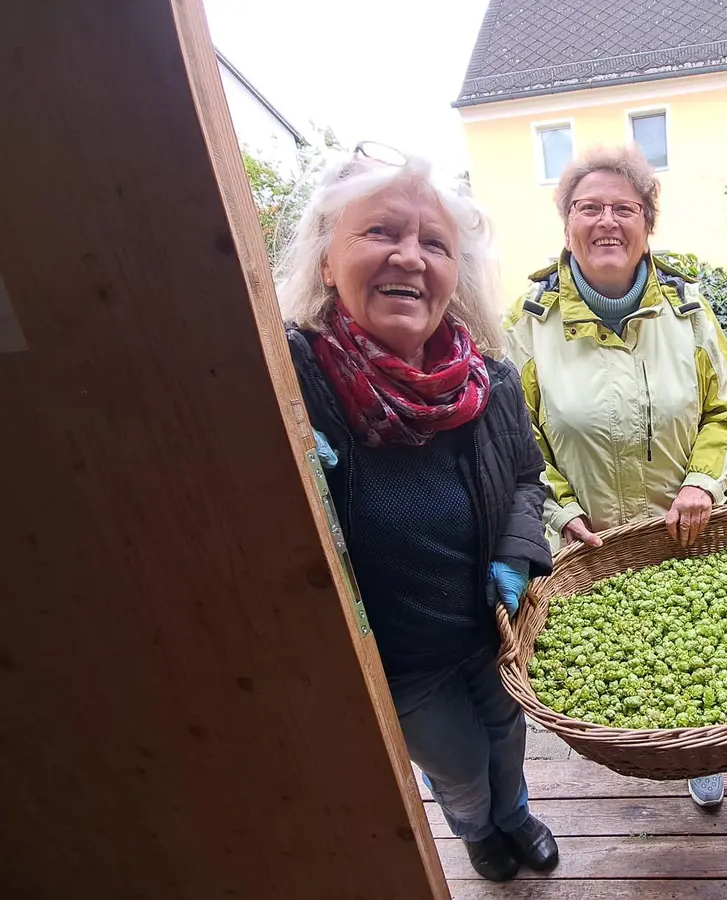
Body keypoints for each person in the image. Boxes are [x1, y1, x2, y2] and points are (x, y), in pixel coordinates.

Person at [278, 142, 558, 883]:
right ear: (326, 259)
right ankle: (478, 830)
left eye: (434, 243)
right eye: (380, 233)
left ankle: (519, 815)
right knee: (458, 759)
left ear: (454, 274)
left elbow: (527, 480)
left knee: (505, 730)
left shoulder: (487, 379)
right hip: (398, 659)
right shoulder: (289, 380)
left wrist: (516, 550)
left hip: (488, 629)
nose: (410, 257)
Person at [503, 145, 727, 809]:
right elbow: (512, 439)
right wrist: (558, 513)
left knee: (697, 654)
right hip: (586, 544)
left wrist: (702, 483)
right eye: (590, 207)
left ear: (648, 224)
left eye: (626, 208)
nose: (608, 221)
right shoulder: (529, 324)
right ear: (567, 225)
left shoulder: (688, 311)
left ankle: (700, 747)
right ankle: (627, 752)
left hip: (682, 533)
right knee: (618, 667)